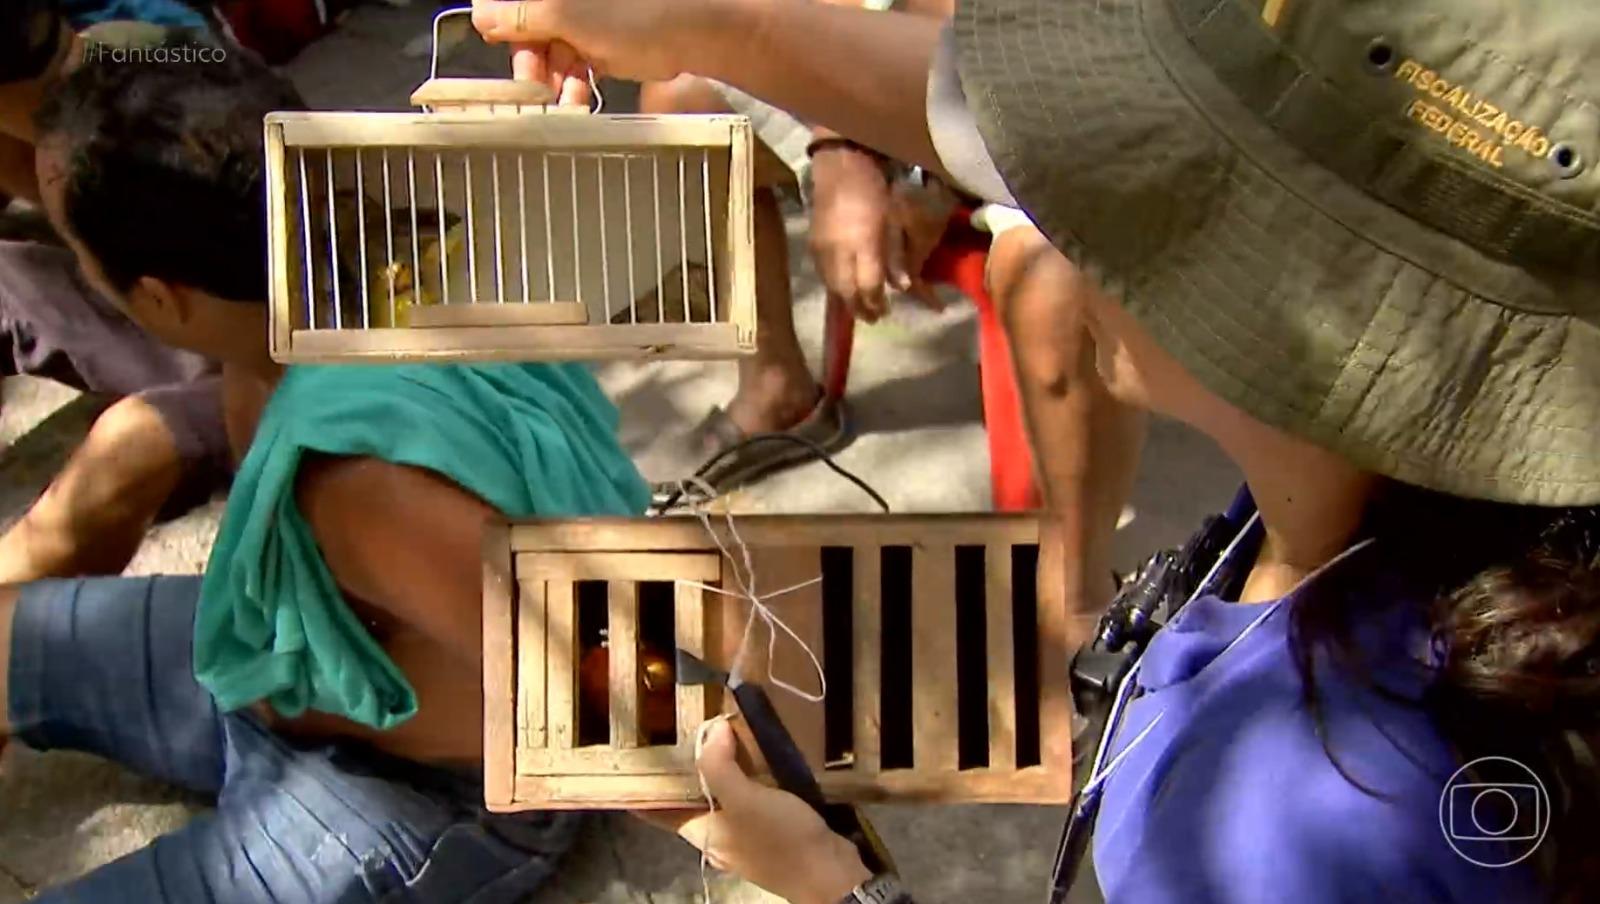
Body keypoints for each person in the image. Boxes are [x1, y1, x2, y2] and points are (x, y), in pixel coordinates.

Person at [474, 0, 1600, 902]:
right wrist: (703, 24)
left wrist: (833, 884)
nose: (1059, 204)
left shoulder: (1300, 820)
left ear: (1288, 310)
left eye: (1152, 179)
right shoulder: (1436, 519)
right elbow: (966, 107)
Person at [1, 31, 652, 901]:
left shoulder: (359, 474)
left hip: (424, 790)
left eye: (75, 252)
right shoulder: (301, 281)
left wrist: (321, 704)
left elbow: (590, 700)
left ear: (159, 297)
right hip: (297, 670)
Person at [0, 3, 232, 583]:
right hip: (248, 332)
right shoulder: (133, 43)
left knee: (134, 446)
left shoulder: (110, 144)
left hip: (258, 368)